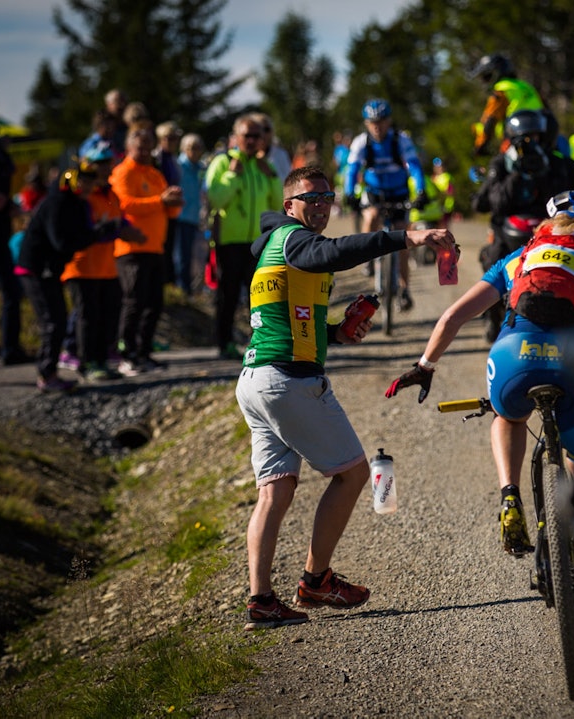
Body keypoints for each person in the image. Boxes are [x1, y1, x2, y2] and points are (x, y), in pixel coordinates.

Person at [385, 189, 574, 651]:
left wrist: (425, 365)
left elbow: (454, 315)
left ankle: (509, 497)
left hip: (513, 361)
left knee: (508, 417)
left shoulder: (518, 259)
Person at [236, 165, 455, 630]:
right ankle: (315, 580)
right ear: (289, 205)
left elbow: (291, 315)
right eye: (310, 198)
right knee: (353, 474)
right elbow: (338, 251)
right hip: (288, 382)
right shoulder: (294, 240)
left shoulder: (281, 247)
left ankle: (261, 601)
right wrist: (408, 238)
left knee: (275, 491)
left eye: (327, 197)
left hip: (256, 379)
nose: (321, 205)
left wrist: (336, 331)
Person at [471, 109, 574, 341]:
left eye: (534, 137)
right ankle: (493, 314)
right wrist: (518, 174)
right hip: (508, 232)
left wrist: (543, 173)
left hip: (550, 232)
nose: (529, 144)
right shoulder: (502, 164)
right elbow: (490, 202)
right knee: (492, 258)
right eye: (523, 139)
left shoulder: (559, 164)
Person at [15, 158, 117, 391]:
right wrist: (95, 234)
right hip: (36, 269)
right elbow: (61, 242)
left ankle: (49, 372)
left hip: (50, 270)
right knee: (54, 321)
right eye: (83, 181)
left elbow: (76, 238)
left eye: (91, 182)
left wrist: (98, 232)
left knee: (59, 319)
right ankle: (47, 374)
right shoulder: (57, 203)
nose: (88, 186)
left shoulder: (78, 204)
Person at [61, 146, 146, 382]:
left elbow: (120, 219)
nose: (109, 167)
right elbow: (88, 230)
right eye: (103, 163)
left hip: (106, 268)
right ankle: (86, 362)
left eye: (109, 162)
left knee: (104, 317)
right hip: (82, 267)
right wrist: (118, 231)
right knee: (87, 317)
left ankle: (100, 361)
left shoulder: (111, 194)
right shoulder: (83, 196)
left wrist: (128, 230)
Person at [205, 114, 283, 360]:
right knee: (227, 296)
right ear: (236, 137)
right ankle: (225, 343)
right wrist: (232, 176)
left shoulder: (264, 166)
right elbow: (215, 199)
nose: (251, 140)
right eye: (247, 135)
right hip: (229, 242)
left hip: (257, 243)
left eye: (256, 135)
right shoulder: (223, 162)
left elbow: (277, 204)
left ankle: (258, 342)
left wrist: (272, 177)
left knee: (259, 295)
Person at [109, 126, 184, 376]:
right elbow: (125, 204)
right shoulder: (122, 173)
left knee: (154, 304)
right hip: (131, 249)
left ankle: (143, 352)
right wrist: (160, 201)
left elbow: (169, 211)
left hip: (155, 248)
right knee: (134, 302)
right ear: (129, 148)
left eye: (148, 148)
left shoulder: (154, 174)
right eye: (139, 148)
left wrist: (174, 201)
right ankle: (126, 354)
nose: (144, 152)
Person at [342, 98, 427, 311]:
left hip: (398, 193)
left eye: (381, 121)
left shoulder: (401, 140)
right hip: (374, 192)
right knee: (371, 216)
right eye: (372, 122)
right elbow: (351, 170)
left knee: (403, 239)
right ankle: (367, 256)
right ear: (366, 123)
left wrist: (420, 191)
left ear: (389, 121)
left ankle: (404, 289)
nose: (377, 126)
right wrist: (349, 193)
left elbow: (415, 167)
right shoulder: (362, 142)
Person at [0, 93, 30, 366]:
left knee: (12, 291)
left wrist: (9, 206)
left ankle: (10, 348)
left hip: (0, 233)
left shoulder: (0, 155)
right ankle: (8, 348)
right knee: (10, 290)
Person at [468, 53, 545, 157]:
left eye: (487, 76)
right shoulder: (525, 86)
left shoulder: (501, 90)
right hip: (541, 137)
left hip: (516, 139)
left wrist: (480, 145)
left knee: (498, 164)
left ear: (497, 73)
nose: (485, 81)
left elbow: (490, 119)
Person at [172, 132, 207, 295]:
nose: (194, 151)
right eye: (190, 147)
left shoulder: (201, 169)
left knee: (191, 256)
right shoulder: (178, 166)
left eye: (197, 147)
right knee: (180, 256)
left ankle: (188, 290)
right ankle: (181, 289)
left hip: (194, 217)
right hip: (180, 216)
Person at [154, 121, 183, 286]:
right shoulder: (155, 158)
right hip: (158, 208)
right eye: (169, 138)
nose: (173, 142)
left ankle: (169, 286)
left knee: (170, 250)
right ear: (161, 139)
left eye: (175, 138)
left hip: (172, 210)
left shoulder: (173, 160)